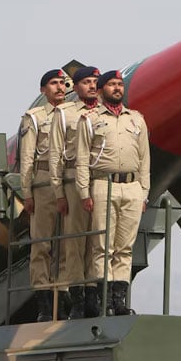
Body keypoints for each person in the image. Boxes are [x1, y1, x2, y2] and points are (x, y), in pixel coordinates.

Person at [75, 70, 150, 316]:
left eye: (120, 84)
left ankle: (119, 303)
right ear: (101, 90)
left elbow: (144, 159)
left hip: (131, 188)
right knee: (102, 246)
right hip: (102, 186)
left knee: (124, 247)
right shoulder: (90, 119)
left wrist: (144, 192)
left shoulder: (136, 120)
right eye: (112, 85)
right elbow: (83, 159)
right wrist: (84, 192)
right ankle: (102, 301)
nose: (117, 88)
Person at [48, 66, 101, 319]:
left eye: (95, 82)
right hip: (72, 183)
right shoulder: (64, 113)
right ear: (76, 86)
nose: (92, 86)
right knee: (75, 242)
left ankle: (93, 296)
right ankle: (77, 298)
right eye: (87, 82)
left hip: (100, 184)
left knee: (97, 243)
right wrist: (58, 191)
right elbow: (55, 153)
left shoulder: (106, 113)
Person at [19, 69, 69, 321]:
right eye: (53, 83)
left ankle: (62, 298)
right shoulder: (35, 118)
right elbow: (27, 158)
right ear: (43, 90)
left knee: (65, 245)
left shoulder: (73, 114)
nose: (59, 87)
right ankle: (44, 303)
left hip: (68, 185)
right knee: (42, 245)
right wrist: (26, 192)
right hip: (43, 185)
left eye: (62, 83)